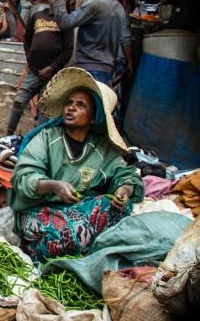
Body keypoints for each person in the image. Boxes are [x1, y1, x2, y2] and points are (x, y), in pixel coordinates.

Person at [9, 68, 144, 262]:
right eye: (69, 103)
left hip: (78, 213)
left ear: (94, 116)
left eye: (80, 105)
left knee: (117, 208)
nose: (71, 108)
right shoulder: (47, 139)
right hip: (37, 210)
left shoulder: (102, 148)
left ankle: (77, 244)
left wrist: (124, 190)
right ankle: (42, 250)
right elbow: (23, 177)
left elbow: (126, 174)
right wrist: (54, 186)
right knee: (69, 233)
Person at [51, 0, 133, 85]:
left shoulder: (95, 4)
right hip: (107, 69)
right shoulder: (119, 7)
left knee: (83, 102)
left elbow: (64, 22)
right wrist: (130, 62)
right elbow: (126, 38)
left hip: (89, 69)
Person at [5, 0, 73, 135]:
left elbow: (68, 50)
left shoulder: (65, 21)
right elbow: (27, 38)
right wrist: (29, 58)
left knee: (44, 109)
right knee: (19, 101)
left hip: (53, 74)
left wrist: (52, 67)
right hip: (34, 70)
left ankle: (36, 139)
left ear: (64, 0)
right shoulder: (38, 15)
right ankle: (8, 135)